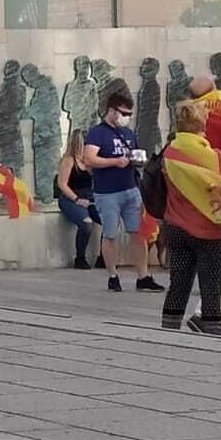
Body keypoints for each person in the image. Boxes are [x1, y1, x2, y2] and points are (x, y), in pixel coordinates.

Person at [159, 101, 221, 337]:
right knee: (211, 288)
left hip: (175, 226)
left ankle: (168, 333)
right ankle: (213, 333)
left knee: (178, 285)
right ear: (203, 124)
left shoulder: (169, 152)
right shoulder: (213, 157)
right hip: (209, 231)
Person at [84, 89, 158, 293]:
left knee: (138, 234)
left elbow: (132, 154)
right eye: (123, 114)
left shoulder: (128, 133)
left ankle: (143, 276)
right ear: (111, 111)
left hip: (130, 189)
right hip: (107, 193)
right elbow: (89, 159)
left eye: (129, 114)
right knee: (110, 235)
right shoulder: (97, 133)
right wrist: (115, 161)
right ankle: (112, 275)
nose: (126, 118)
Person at [56, 128, 101, 270]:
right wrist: (76, 199)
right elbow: (62, 184)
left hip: (89, 197)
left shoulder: (89, 161)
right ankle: (80, 258)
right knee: (86, 224)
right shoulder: (69, 160)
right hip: (71, 197)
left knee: (109, 219)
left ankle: (103, 256)